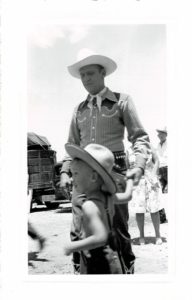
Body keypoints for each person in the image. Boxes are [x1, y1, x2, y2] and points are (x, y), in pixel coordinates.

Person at [60, 49, 151, 274]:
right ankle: (82, 273)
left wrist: (138, 165)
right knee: (79, 227)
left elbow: (140, 138)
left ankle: (125, 274)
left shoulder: (122, 101)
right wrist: (64, 171)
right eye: (82, 75)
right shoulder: (78, 110)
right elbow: (72, 143)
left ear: (103, 73)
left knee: (117, 229)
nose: (86, 79)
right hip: (83, 178)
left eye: (90, 73)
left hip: (115, 173)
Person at [63, 143, 133, 274]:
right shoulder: (108, 198)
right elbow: (127, 196)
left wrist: (73, 246)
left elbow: (100, 237)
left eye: (76, 174)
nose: (73, 179)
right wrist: (129, 180)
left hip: (97, 262)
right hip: (113, 257)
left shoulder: (89, 205)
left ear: (93, 177)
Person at [128, 146, 163, 245]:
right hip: (137, 183)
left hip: (150, 181)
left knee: (154, 210)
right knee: (139, 210)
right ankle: (141, 236)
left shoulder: (150, 147)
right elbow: (127, 167)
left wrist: (153, 174)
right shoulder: (129, 150)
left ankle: (158, 235)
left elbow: (157, 161)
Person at [156, 127, 168, 223]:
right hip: (160, 170)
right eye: (158, 133)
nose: (158, 135)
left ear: (165, 134)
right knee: (160, 193)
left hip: (168, 169)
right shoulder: (157, 146)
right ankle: (162, 217)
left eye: (160, 133)